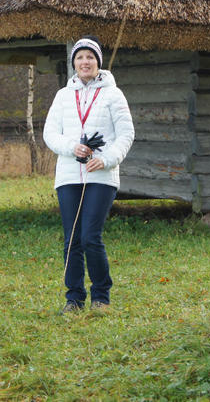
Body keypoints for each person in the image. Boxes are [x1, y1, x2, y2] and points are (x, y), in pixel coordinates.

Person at [43, 36, 134, 313]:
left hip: (101, 176)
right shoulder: (62, 96)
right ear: (74, 63)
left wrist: (106, 159)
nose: (85, 62)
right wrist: (72, 147)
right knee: (72, 239)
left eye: (90, 57)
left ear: (98, 63)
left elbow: (126, 134)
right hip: (69, 175)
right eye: (80, 57)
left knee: (90, 236)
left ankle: (101, 297)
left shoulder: (113, 94)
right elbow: (49, 134)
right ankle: (74, 298)